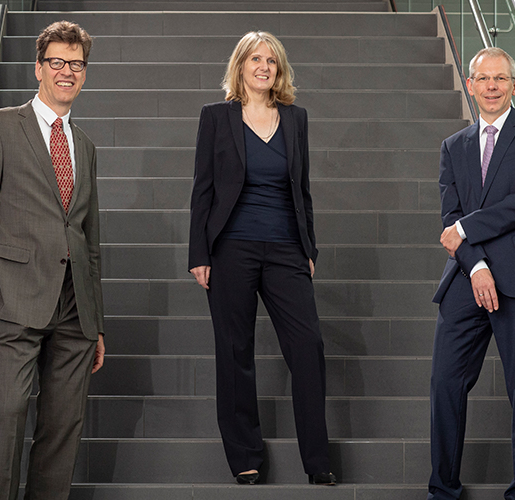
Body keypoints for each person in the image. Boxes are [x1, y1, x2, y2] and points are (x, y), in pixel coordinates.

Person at [0, 21, 105, 500]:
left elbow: (89, 239)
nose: (67, 72)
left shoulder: (84, 145)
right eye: (57, 62)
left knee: (62, 429)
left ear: (84, 74)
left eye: (76, 64)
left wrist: (95, 320)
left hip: (74, 309)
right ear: (38, 68)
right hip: (12, 303)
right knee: (8, 416)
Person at [188, 31, 335, 486]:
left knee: (308, 348)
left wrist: (308, 246)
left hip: (286, 248)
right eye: (255, 59)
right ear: (241, 66)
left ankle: (317, 459)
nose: (263, 66)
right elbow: (203, 190)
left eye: (271, 60)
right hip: (231, 247)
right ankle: (245, 457)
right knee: (235, 353)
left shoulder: (295, 118)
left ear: (279, 69)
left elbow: (302, 190)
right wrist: (199, 253)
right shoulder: (216, 117)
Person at [428, 47, 515, 500]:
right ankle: (442, 488)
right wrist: (477, 264)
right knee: (445, 384)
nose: (491, 86)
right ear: (470, 84)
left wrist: (467, 229)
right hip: (467, 277)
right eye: (483, 78)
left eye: (500, 79)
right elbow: (451, 218)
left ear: (514, 86)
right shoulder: (453, 146)